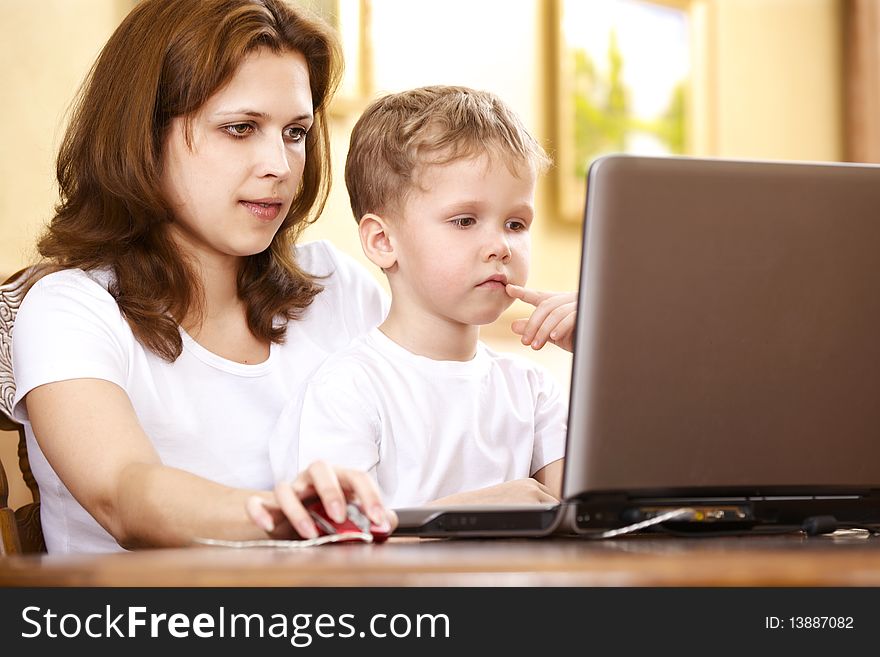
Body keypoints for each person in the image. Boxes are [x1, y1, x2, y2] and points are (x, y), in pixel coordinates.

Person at [10, 0, 399, 553]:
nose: (281, 165)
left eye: (295, 132)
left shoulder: (338, 288)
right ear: (143, 137)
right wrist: (294, 515)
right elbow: (125, 494)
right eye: (240, 128)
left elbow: (437, 441)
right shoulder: (69, 309)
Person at [281, 86, 577, 508]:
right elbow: (336, 547)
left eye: (515, 223)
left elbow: (594, 517)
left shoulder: (532, 391)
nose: (501, 246)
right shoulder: (348, 390)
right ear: (383, 241)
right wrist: (466, 514)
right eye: (464, 220)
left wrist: (600, 354)